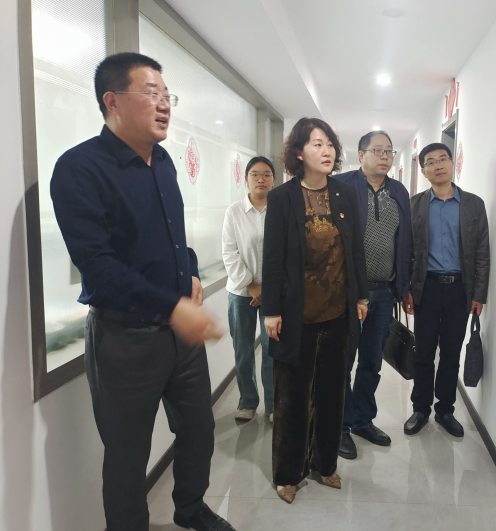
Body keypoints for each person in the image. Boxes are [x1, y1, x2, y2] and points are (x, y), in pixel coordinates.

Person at [50, 53, 234, 531]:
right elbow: (98, 266)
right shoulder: (79, 169)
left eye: (167, 95)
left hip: (179, 336)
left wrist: (189, 271)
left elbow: (173, 236)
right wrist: (172, 306)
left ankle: (190, 508)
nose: (164, 104)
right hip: (125, 340)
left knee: (198, 429)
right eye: (151, 93)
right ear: (112, 101)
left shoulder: (164, 162)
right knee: (127, 453)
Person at [262, 117, 368, 503]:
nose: (326, 151)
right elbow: (272, 258)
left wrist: (361, 297)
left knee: (331, 393)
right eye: (317, 144)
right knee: (291, 399)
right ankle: (287, 473)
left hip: (338, 313)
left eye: (330, 144)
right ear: (298, 152)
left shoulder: (344, 194)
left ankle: (325, 464)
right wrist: (271, 310)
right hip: (296, 316)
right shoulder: (282, 197)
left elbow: (354, 249)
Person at [403, 142, 490, 438]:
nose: (438, 165)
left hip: (460, 290)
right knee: (424, 352)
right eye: (431, 161)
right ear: (423, 170)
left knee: (451, 353)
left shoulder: (473, 205)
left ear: (453, 164)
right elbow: (407, 251)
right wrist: (407, 290)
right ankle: (420, 409)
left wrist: (478, 294)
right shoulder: (414, 205)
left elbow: (482, 253)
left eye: (443, 159)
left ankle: (445, 410)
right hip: (426, 288)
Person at [334, 130, 412, 459]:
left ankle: (362, 420)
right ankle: (339, 426)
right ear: (361, 154)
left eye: (389, 151)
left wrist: (403, 288)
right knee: (342, 361)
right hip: (347, 293)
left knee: (371, 362)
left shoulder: (399, 192)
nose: (384, 156)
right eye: (377, 150)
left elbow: (405, 242)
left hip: (383, 293)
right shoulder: (341, 186)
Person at [222, 157, 275, 422]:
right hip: (241, 293)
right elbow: (229, 253)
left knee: (272, 352)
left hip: (273, 293)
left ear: (274, 180)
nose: (260, 179)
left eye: (266, 174)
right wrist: (252, 286)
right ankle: (248, 401)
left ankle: (274, 405)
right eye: (255, 174)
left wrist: (267, 288)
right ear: (246, 179)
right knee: (243, 351)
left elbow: (285, 252)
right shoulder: (234, 211)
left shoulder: (280, 210)